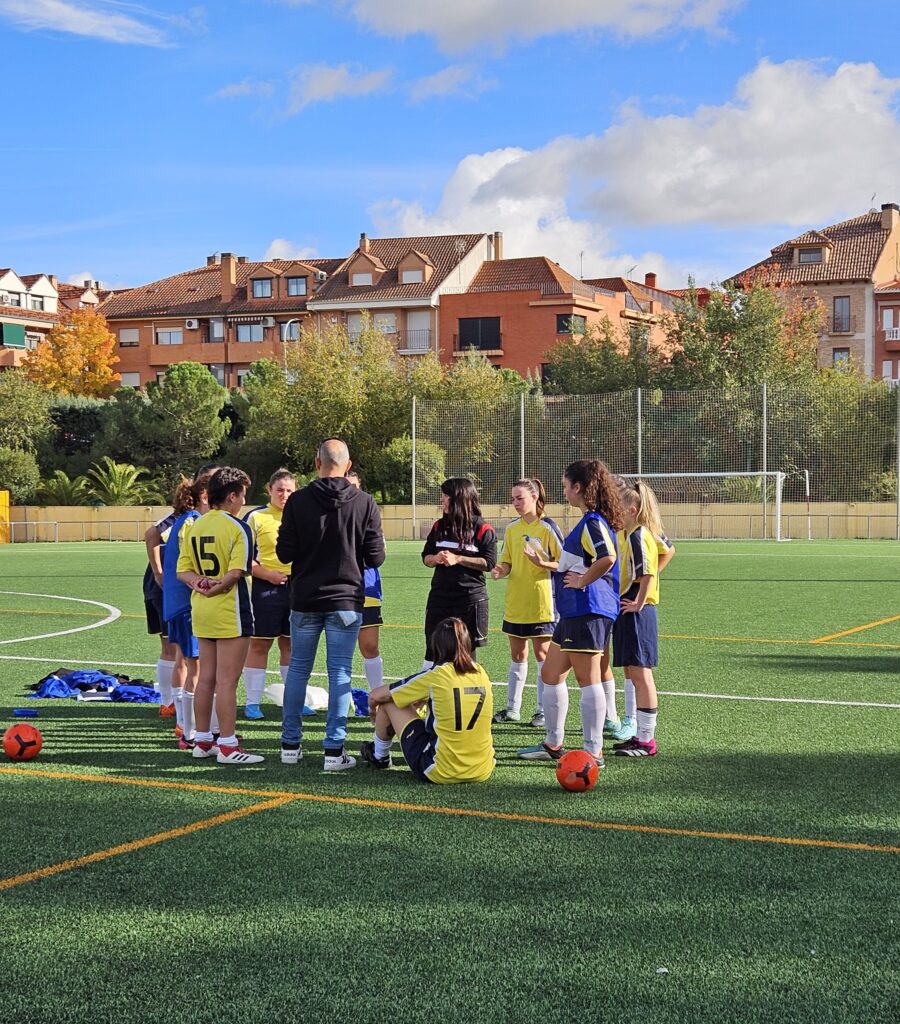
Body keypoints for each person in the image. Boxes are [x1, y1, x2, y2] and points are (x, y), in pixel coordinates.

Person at [276, 438, 385, 771]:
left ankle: (290, 746)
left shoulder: (297, 502)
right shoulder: (365, 502)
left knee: (298, 671)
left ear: (316, 462)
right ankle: (333, 751)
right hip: (346, 600)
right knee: (340, 675)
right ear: (348, 465)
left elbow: (284, 553)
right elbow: (376, 556)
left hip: (305, 598)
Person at [517, 460, 623, 767]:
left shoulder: (592, 522)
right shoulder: (589, 522)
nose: (564, 491)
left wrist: (582, 580)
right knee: (551, 674)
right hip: (573, 612)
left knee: (587, 679)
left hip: (587, 609)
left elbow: (608, 558)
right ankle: (553, 744)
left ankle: (594, 752)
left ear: (579, 487)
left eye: (566, 486)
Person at [177, 467, 262, 766]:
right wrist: (218, 587)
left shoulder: (195, 525)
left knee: (206, 679)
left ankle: (202, 740)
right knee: (227, 681)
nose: (243, 503)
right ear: (231, 496)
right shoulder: (238, 527)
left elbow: (182, 570)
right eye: (242, 496)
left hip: (202, 609)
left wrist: (200, 584)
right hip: (229, 610)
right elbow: (237, 571)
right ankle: (227, 744)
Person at [361, 617, 494, 784]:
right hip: (482, 769)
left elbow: (376, 695)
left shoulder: (437, 675)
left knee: (390, 700)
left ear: (437, 646)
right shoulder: (481, 673)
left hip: (439, 770)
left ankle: (379, 755)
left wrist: (374, 711)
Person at [490, 478, 563, 727]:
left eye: (519, 498)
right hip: (516, 603)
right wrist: (502, 569)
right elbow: (507, 561)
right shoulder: (512, 529)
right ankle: (512, 708)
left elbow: (564, 563)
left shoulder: (548, 527)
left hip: (542, 603)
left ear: (534, 497)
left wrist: (543, 564)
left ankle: (542, 710)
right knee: (517, 655)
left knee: (543, 655)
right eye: (513, 499)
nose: (515, 503)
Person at [611, 480, 664, 757]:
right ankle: (639, 736)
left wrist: (640, 602)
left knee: (642, 675)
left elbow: (647, 574)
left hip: (638, 611)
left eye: (618, 506)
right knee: (632, 672)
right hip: (628, 607)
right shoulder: (628, 532)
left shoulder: (638, 535)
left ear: (631, 509)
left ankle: (647, 740)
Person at [609, 518, 675, 741]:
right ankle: (632, 721)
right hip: (620, 603)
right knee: (629, 667)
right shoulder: (620, 531)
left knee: (639, 669)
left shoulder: (641, 532)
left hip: (637, 606)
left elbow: (669, 549)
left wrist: (644, 588)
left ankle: (641, 731)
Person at [162, 472, 213, 749]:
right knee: (197, 668)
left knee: (188, 664)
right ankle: (190, 734)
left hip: (180, 604)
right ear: (206, 496)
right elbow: (190, 565)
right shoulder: (192, 523)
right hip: (187, 605)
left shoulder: (186, 521)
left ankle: (190, 726)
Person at [422, 479, 497, 667]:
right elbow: (425, 557)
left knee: (465, 654)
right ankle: (430, 695)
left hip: (470, 599)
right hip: (439, 598)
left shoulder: (482, 529)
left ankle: (471, 695)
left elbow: (489, 563)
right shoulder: (439, 526)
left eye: (446, 496)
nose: (442, 500)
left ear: (459, 499)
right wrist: (435, 558)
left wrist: (459, 559)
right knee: (433, 650)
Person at [241, 469, 297, 720]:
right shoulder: (255, 517)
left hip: (296, 588)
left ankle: (292, 700)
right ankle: (252, 702)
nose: (284, 495)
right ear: (269, 490)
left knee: (291, 644)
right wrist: (268, 575)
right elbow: (243, 559)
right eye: (280, 490)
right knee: (260, 644)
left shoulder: (299, 515)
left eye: (289, 490)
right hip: (265, 589)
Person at [347, 470, 385, 692]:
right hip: (338, 588)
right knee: (339, 649)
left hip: (367, 586)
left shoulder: (369, 512)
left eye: (354, 486)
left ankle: (377, 696)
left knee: (370, 645)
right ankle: (341, 698)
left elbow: (379, 551)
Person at [143, 508, 180, 720]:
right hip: (165, 588)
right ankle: (170, 702)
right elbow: (151, 534)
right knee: (175, 649)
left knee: (174, 648)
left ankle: (171, 702)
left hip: (162, 587)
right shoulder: (182, 516)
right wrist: (159, 573)